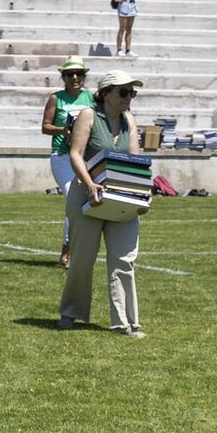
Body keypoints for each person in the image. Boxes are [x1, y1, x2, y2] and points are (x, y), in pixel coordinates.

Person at [60, 69, 145, 338]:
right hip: (87, 196)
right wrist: (90, 184)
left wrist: (143, 193)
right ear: (106, 94)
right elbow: (75, 153)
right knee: (82, 259)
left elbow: (135, 162)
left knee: (125, 259)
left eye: (132, 92)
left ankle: (127, 322)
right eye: (124, 92)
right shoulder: (88, 115)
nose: (129, 97)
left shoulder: (129, 119)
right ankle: (71, 312)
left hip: (121, 197)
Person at [41, 58, 93, 269]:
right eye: (70, 74)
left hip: (85, 156)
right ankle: (66, 251)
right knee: (75, 197)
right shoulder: (56, 98)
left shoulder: (91, 97)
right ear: (63, 77)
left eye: (79, 74)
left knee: (82, 202)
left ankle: (71, 251)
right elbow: (45, 126)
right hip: (62, 156)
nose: (75, 77)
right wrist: (63, 130)